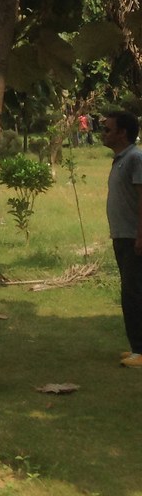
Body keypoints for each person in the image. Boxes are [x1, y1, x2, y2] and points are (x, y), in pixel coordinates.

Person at [100, 111, 142, 368]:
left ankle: (140, 350)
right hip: (122, 235)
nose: (103, 134)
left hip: (132, 237)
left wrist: (140, 235)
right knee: (131, 292)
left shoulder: (135, 158)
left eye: (108, 129)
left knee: (133, 294)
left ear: (122, 133)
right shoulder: (120, 160)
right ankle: (136, 347)